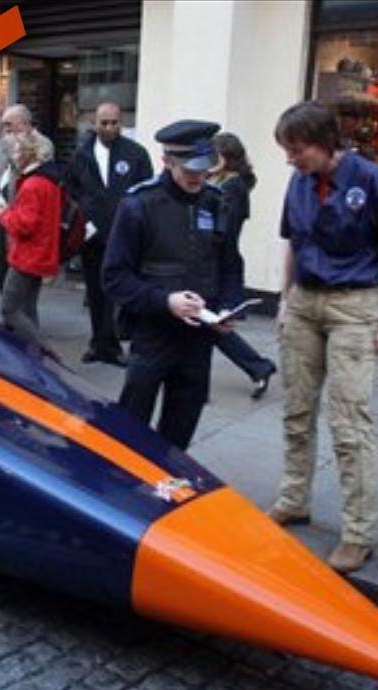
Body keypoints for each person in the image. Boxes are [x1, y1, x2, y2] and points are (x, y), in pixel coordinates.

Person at [266, 101, 378, 574]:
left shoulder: (375, 181)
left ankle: (359, 532)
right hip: (305, 303)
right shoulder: (299, 181)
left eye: (296, 149)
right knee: (296, 410)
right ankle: (294, 499)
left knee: (349, 423)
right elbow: (294, 242)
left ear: (324, 142)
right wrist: (285, 298)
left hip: (355, 307)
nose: (290, 159)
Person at [103, 120, 244, 450]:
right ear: (167, 161)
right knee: (131, 428)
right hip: (153, 334)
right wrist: (165, 301)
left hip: (198, 338)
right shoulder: (139, 204)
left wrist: (228, 305)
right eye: (190, 169)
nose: (198, 177)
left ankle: (169, 479)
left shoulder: (216, 201)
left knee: (181, 428)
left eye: (204, 169)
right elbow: (114, 276)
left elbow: (230, 264)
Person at [66, 102, 153, 367]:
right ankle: (99, 343)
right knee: (95, 292)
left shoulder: (135, 153)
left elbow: (146, 192)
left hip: (125, 235)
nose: (109, 127)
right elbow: (71, 190)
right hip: (92, 237)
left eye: (114, 122)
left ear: (121, 123)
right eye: (104, 123)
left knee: (120, 292)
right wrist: (83, 219)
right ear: (94, 123)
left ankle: (114, 344)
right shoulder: (82, 154)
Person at [209, 132, 278, 399]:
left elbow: (226, 230)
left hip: (219, 264)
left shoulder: (232, 187)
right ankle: (258, 367)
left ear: (227, 158)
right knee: (208, 325)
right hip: (216, 262)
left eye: (215, 154)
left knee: (211, 325)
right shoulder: (221, 182)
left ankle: (259, 366)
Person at [0, 130, 62, 347]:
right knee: (28, 309)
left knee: (10, 309)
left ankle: (43, 352)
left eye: (17, 150)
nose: (13, 155)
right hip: (41, 254)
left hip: (27, 256)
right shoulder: (49, 181)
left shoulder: (32, 184)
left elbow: (24, 225)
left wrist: (2, 214)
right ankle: (35, 355)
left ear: (29, 153)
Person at [0, 104, 54, 290]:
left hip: (19, 222)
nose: (5, 129)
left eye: (9, 124)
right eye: (4, 125)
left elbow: (29, 175)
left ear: (24, 124)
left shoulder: (40, 145)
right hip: (1, 219)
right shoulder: (5, 143)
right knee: (0, 273)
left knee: (16, 286)